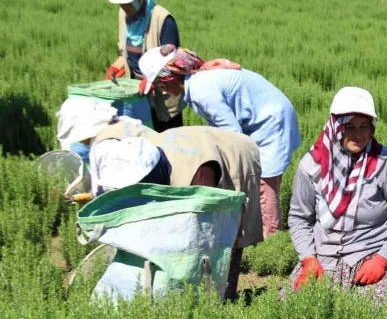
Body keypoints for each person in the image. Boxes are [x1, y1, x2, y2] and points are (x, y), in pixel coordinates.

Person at [58, 99, 263, 301]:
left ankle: (221, 299)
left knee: (223, 237)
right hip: (189, 146)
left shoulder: (197, 178)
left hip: (232, 151)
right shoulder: (137, 153)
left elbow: (223, 215)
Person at [139, 45, 301, 239]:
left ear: (169, 80)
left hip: (271, 121)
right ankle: (254, 228)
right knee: (254, 178)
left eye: (160, 86)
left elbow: (233, 135)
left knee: (264, 181)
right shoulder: (196, 83)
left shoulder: (201, 90)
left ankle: (271, 236)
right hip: (261, 118)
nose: (163, 91)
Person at [286, 87, 387, 300]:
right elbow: (299, 217)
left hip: (371, 256)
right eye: (349, 126)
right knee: (293, 310)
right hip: (323, 259)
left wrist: (382, 261)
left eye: (364, 126)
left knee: (374, 314)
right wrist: (308, 259)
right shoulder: (312, 165)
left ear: (372, 129)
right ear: (335, 126)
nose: (357, 134)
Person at [106, 0, 184, 132]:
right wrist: (116, 67)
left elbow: (172, 62)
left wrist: (150, 81)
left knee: (167, 139)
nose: (125, 7)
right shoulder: (124, 15)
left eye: (129, 3)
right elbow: (127, 51)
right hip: (138, 94)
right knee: (141, 137)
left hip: (164, 95)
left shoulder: (162, 19)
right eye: (122, 4)